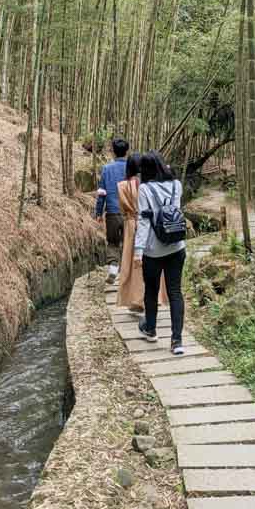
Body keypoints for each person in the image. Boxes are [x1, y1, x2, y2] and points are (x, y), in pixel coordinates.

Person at [134, 150, 186, 355]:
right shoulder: (176, 185)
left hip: (153, 250)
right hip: (176, 246)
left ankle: (151, 329)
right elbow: (175, 213)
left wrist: (138, 251)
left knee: (151, 290)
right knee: (175, 291)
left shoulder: (145, 189)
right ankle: (177, 341)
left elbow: (144, 222)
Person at [117, 153, 168, 313]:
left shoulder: (123, 185)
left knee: (134, 263)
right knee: (154, 258)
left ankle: (136, 299)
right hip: (150, 224)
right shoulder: (151, 186)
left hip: (132, 225)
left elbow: (123, 209)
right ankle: (156, 297)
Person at [95, 136, 129, 283]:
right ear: (126, 151)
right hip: (129, 213)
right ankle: (128, 275)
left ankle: (114, 268)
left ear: (113, 152)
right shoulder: (132, 167)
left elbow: (101, 193)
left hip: (112, 213)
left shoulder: (106, 169)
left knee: (113, 242)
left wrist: (98, 212)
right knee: (128, 243)